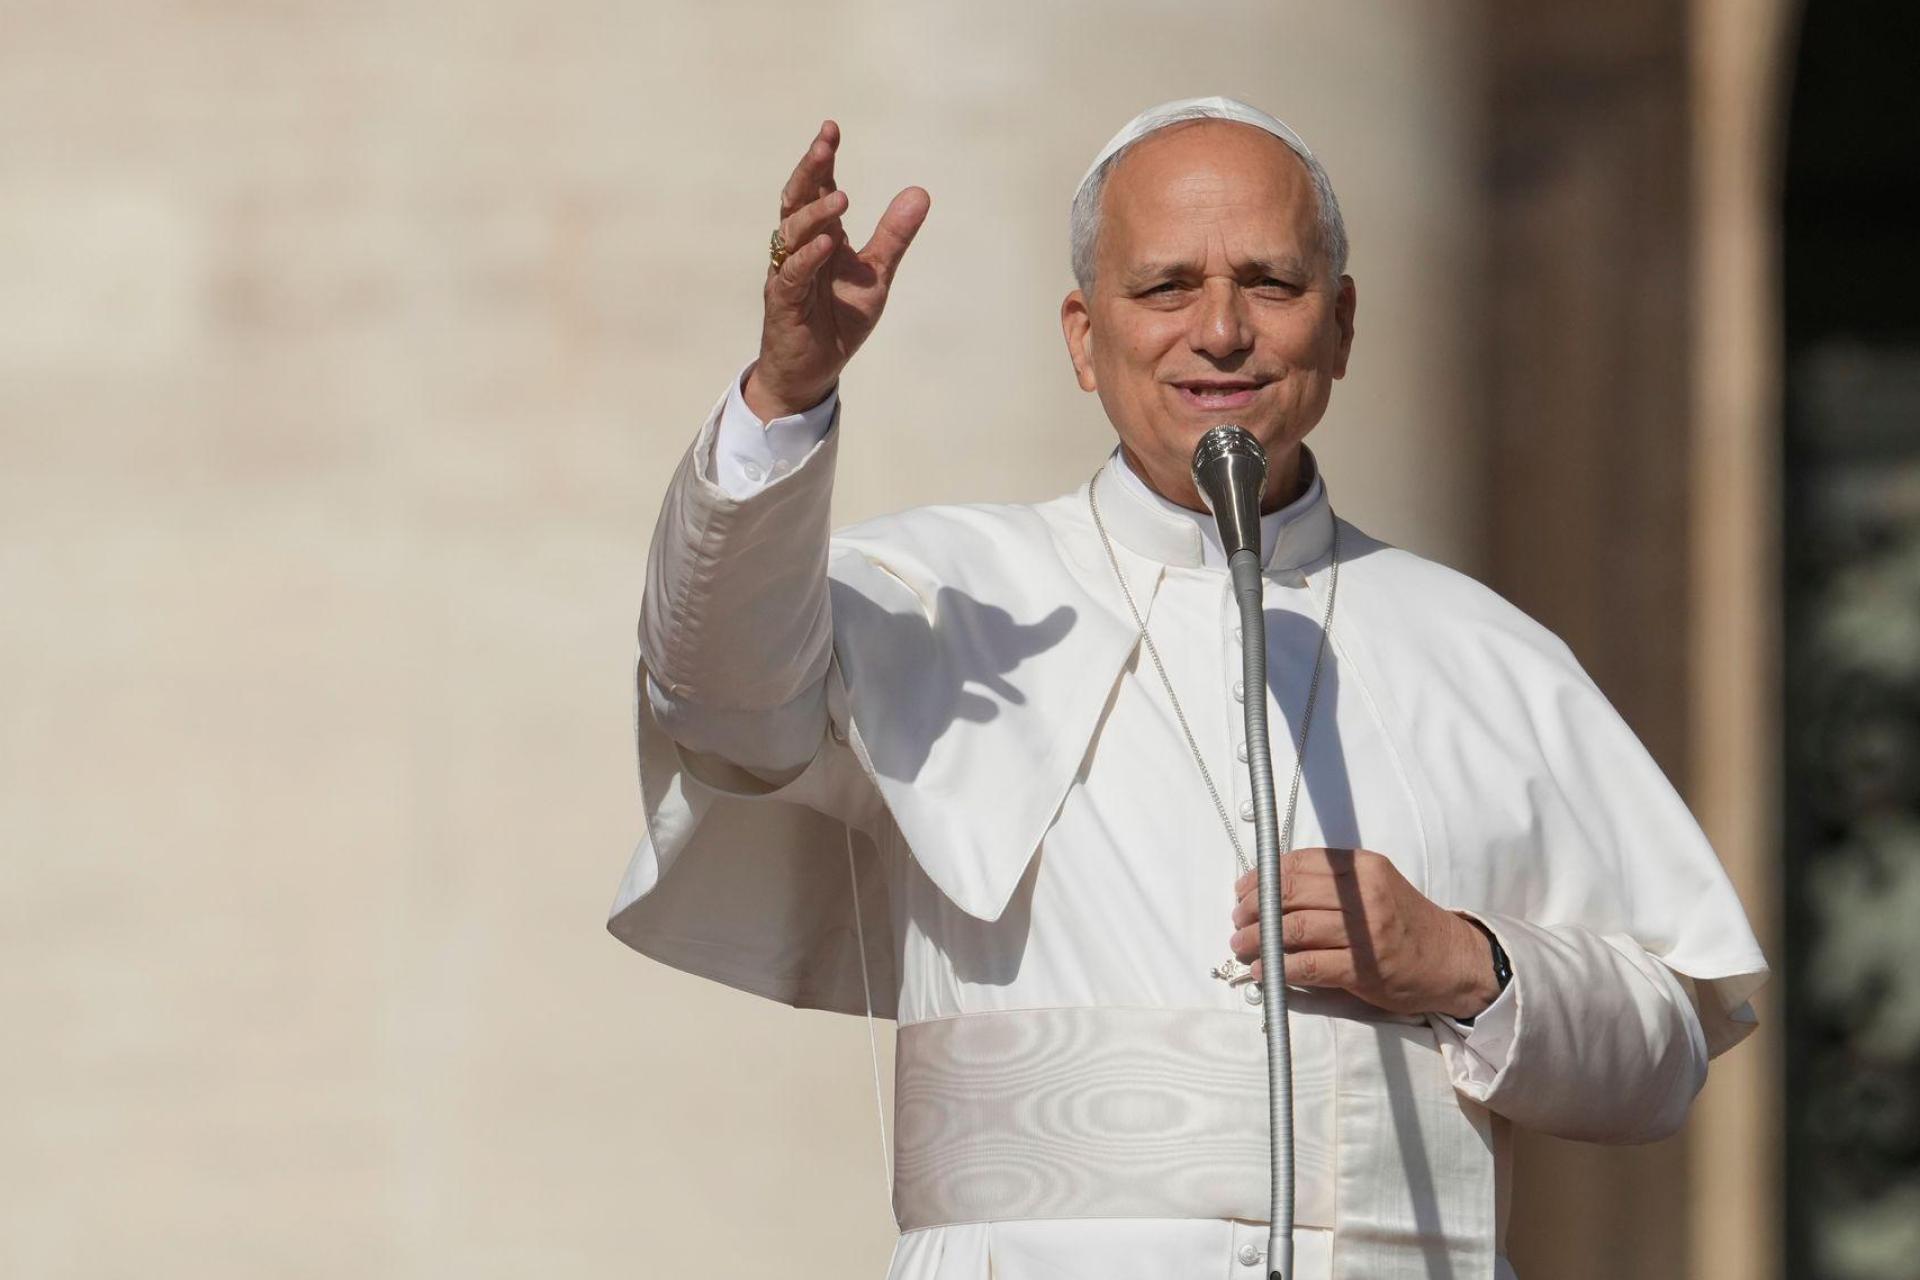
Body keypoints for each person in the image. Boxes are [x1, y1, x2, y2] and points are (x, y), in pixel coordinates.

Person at [607, 96, 1768, 1280]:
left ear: (1342, 323)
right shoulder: (943, 598)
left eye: (1271, 283)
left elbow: (1663, 1051)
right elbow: (718, 697)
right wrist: (785, 396)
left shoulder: (1482, 650)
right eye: (1165, 287)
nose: (1220, 330)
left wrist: (1463, 961)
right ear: (1083, 337)